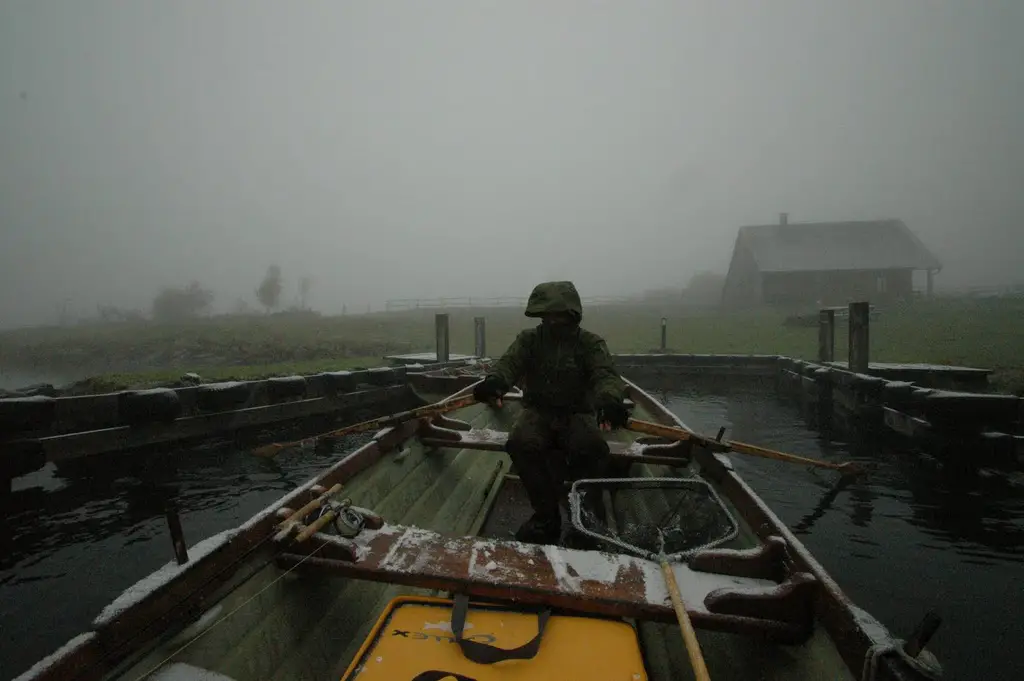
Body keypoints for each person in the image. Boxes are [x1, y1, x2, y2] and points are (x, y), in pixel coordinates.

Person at [473, 281, 630, 545]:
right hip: (538, 411)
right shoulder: (529, 339)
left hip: (578, 413)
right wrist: (496, 383)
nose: (553, 320)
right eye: (547, 315)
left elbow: (605, 375)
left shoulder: (590, 343)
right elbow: (509, 364)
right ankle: (546, 518)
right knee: (521, 443)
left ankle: (587, 522)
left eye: (558, 314)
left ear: (572, 314)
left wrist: (609, 401)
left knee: (591, 448)